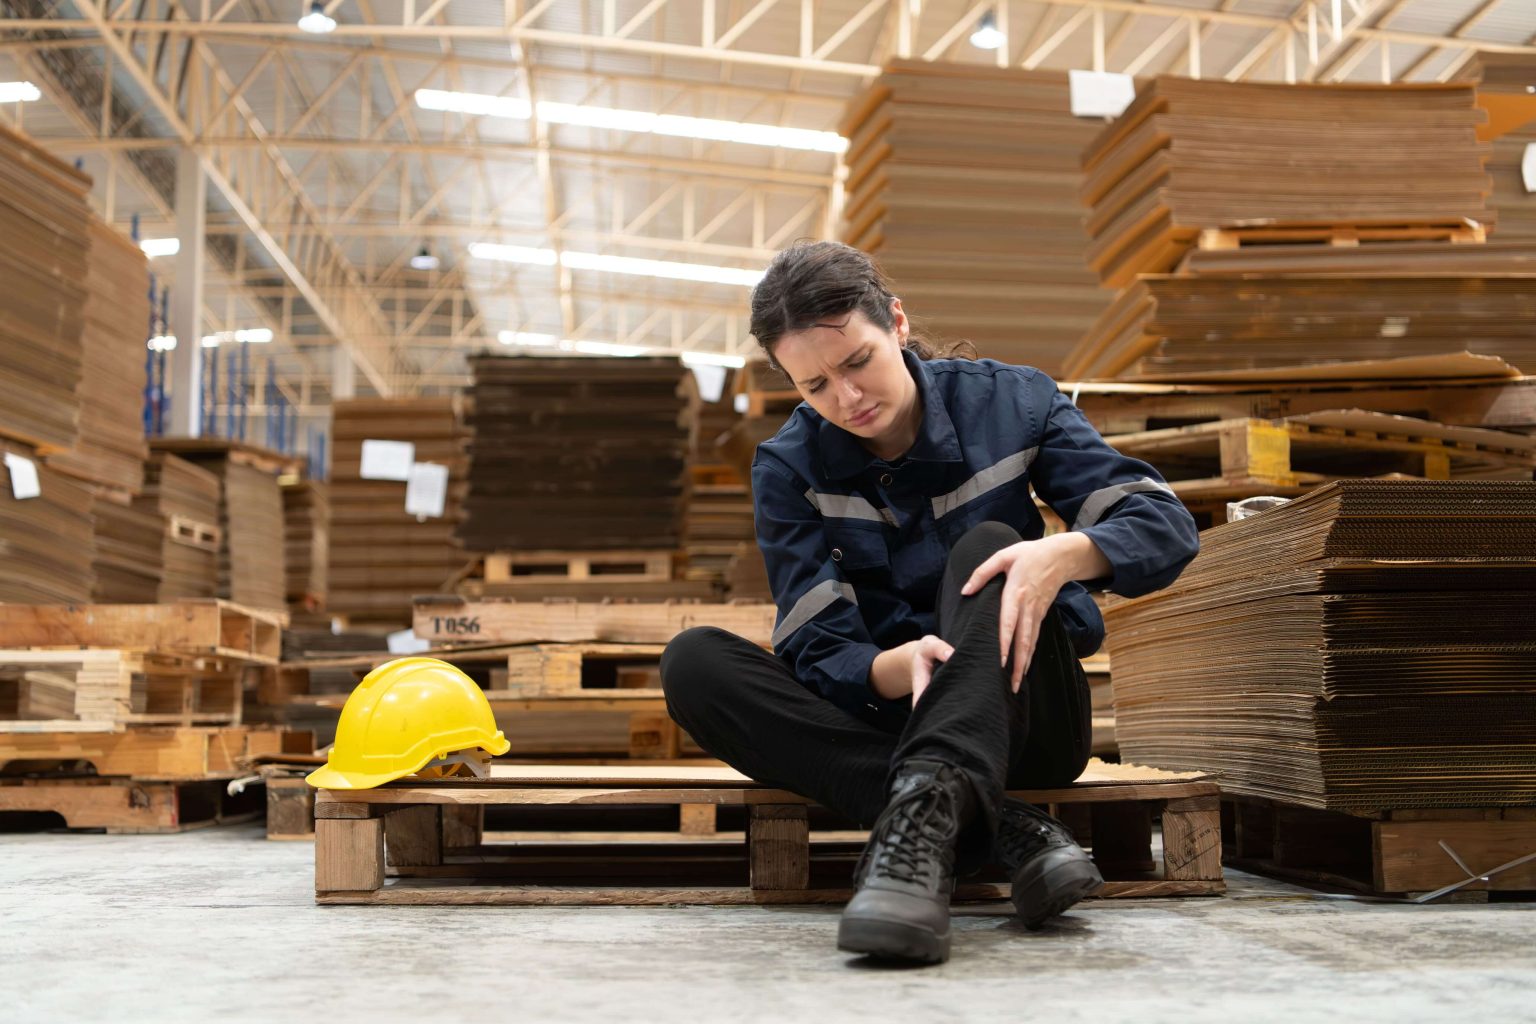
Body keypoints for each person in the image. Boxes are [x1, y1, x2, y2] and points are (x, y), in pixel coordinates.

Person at [660, 241, 1200, 964]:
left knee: (990, 550)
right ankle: (995, 825)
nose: (848, 398)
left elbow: (1163, 525)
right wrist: (894, 663)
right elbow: (817, 644)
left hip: (1026, 720)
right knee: (694, 663)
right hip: (893, 713)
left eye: (858, 362)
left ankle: (918, 826)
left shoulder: (1013, 402)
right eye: (815, 386)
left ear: (899, 325)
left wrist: (1057, 557)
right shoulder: (790, 467)